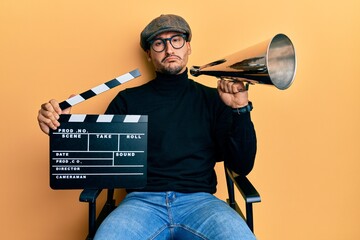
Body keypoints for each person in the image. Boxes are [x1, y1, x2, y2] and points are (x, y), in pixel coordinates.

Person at [38, 14, 257, 240]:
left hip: (200, 202)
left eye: (177, 40)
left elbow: (242, 165)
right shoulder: (127, 101)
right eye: (159, 43)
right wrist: (62, 128)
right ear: (149, 54)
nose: (169, 49)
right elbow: (97, 163)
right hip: (140, 204)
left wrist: (240, 111)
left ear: (188, 47)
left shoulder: (214, 99)